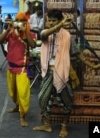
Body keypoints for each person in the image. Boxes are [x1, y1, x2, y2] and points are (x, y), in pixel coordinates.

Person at [32, 9, 74, 137]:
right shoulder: (45, 33)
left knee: (67, 101)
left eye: (53, 20)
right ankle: (47, 125)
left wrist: (92, 65)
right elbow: (44, 35)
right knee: (42, 98)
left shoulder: (67, 35)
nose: (50, 23)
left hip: (62, 72)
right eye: (49, 20)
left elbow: (74, 52)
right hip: (48, 72)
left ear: (59, 20)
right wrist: (60, 24)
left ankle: (64, 127)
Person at [0, 12, 36, 127]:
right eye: (17, 20)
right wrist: (8, 29)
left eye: (21, 21)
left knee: (23, 93)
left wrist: (25, 31)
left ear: (25, 22)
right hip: (11, 67)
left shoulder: (29, 33)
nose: (19, 22)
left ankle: (22, 116)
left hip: (22, 68)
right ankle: (17, 106)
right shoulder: (11, 32)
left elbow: (33, 45)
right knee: (13, 92)